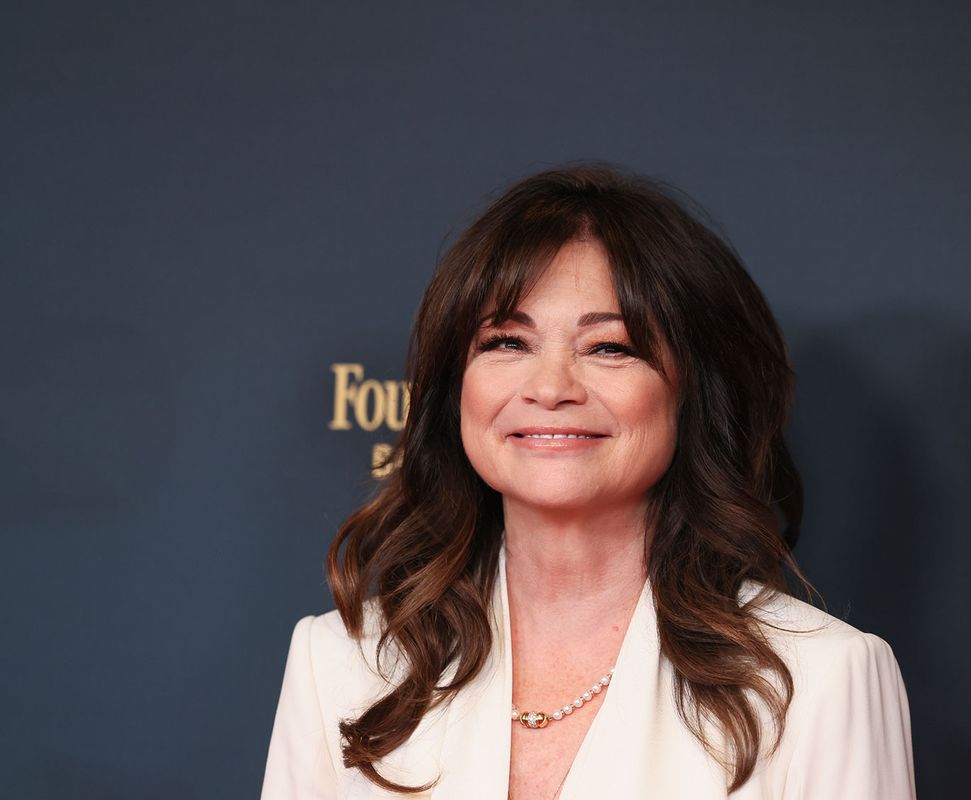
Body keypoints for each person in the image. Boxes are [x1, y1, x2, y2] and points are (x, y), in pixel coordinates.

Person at [261, 164, 916, 799]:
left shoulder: (819, 681)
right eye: (507, 343)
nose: (549, 388)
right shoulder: (341, 664)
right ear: (454, 386)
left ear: (692, 392)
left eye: (610, 347)